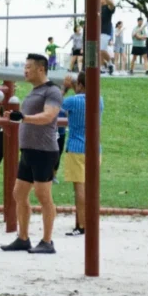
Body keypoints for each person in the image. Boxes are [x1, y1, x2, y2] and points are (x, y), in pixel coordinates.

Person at [0, 54, 63, 254]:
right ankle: (23, 238)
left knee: (43, 196)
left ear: (41, 69)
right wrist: (16, 117)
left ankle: (47, 242)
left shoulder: (52, 91)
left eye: (28, 67)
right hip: (28, 151)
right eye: (25, 67)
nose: (25, 71)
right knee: (19, 194)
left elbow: (48, 116)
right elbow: (27, 118)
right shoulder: (34, 92)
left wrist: (24, 117)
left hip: (44, 151)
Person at [59, 72, 103, 236]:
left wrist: (64, 88)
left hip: (76, 148)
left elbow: (55, 106)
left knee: (80, 188)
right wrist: (76, 87)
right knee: (91, 188)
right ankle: (91, 222)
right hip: (95, 149)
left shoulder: (72, 101)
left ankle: (82, 225)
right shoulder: (99, 100)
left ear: (80, 85)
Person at [99, 0, 116, 75]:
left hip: (105, 32)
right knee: (99, 51)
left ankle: (110, 64)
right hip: (98, 32)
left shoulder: (108, 8)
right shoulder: (99, 9)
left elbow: (112, 5)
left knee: (101, 50)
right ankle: (103, 66)